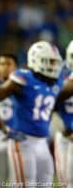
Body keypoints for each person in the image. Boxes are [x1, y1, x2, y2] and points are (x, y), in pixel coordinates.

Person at [0, 41, 63, 186]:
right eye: (49, 62)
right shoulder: (23, 77)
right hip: (23, 141)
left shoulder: (56, 82)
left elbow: (51, 108)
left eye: (55, 62)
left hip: (42, 142)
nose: (53, 66)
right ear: (36, 60)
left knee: (45, 184)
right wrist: (4, 128)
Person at [0, 53, 18, 187]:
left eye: (9, 64)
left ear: (15, 67)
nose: (5, 67)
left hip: (17, 136)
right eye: (2, 64)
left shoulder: (21, 86)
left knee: (17, 181)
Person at [54, 40, 73, 188]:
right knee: (64, 182)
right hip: (64, 131)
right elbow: (50, 103)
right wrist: (60, 126)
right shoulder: (57, 74)